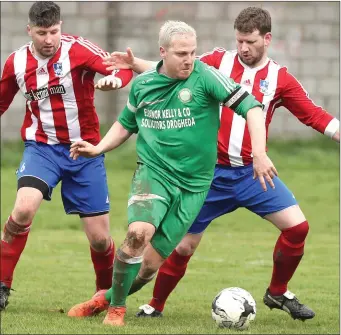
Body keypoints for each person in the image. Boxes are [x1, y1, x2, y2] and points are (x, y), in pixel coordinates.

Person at [74, 7, 340, 322]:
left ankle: (277, 291)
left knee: (298, 227)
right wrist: (135, 64)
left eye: (251, 42)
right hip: (211, 175)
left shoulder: (279, 78)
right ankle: (153, 304)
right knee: (180, 248)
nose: (244, 48)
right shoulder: (215, 63)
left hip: (251, 173)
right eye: (240, 40)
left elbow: (313, 114)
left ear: (267, 39)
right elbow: (173, 67)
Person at [0, 1, 133, 311]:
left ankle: (106, 293)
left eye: (54, 32)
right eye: (42, 33)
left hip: (84, 150)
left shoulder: (78, 50)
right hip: (42, 149)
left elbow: (119, 69)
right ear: (29, 30)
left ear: (61, 27)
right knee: (22, 210)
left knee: (100, 239)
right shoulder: (16, 62)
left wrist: (116, 81)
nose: (49, 39)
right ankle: (2, 283)